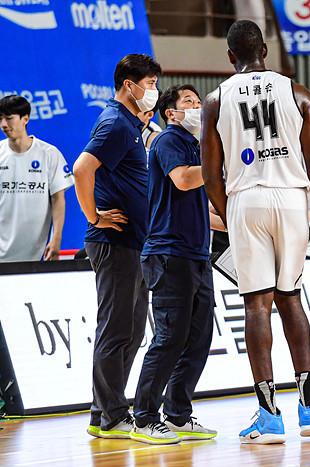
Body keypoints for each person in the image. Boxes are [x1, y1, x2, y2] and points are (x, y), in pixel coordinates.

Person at [201, 20, 310, 445]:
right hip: (292, 200)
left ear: (230, 57)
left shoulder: (215, 100)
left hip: (246, 199)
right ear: (264, 51)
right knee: (291, 297)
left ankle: (269, 415)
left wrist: (231, 214)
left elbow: (210, 174)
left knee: (257, 305)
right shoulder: (298, 93)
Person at [73, 54, 161, 439]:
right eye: (151, 84)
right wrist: (94, 218)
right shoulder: (115, 124)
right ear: (130, 85)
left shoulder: (131, 123)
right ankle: (109, 415)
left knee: (133, 331)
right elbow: (81, 169)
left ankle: (108, 410)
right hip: (114, 242)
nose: (154, 90)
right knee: (116, 330)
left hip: (135, 242)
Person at [129, 85, 217, 444]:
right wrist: (220, 165)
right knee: (169, 338)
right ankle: (144, 417)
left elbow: (204, 208)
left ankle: (178, 414)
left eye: (198, 102)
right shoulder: (168, 141)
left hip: (198, 255)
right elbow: (182, 180)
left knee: (198, 338)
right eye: (189, 103)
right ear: (171, 113)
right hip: (169, 253)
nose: (197, 107)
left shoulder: (197, 147)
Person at [0, 95, 74, 262]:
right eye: (0, 119)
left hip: (36, 256)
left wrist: (56, 238)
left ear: (25, 119)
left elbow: (58, 199)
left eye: (9, 118)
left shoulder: (49, 154)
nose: (3, 124)